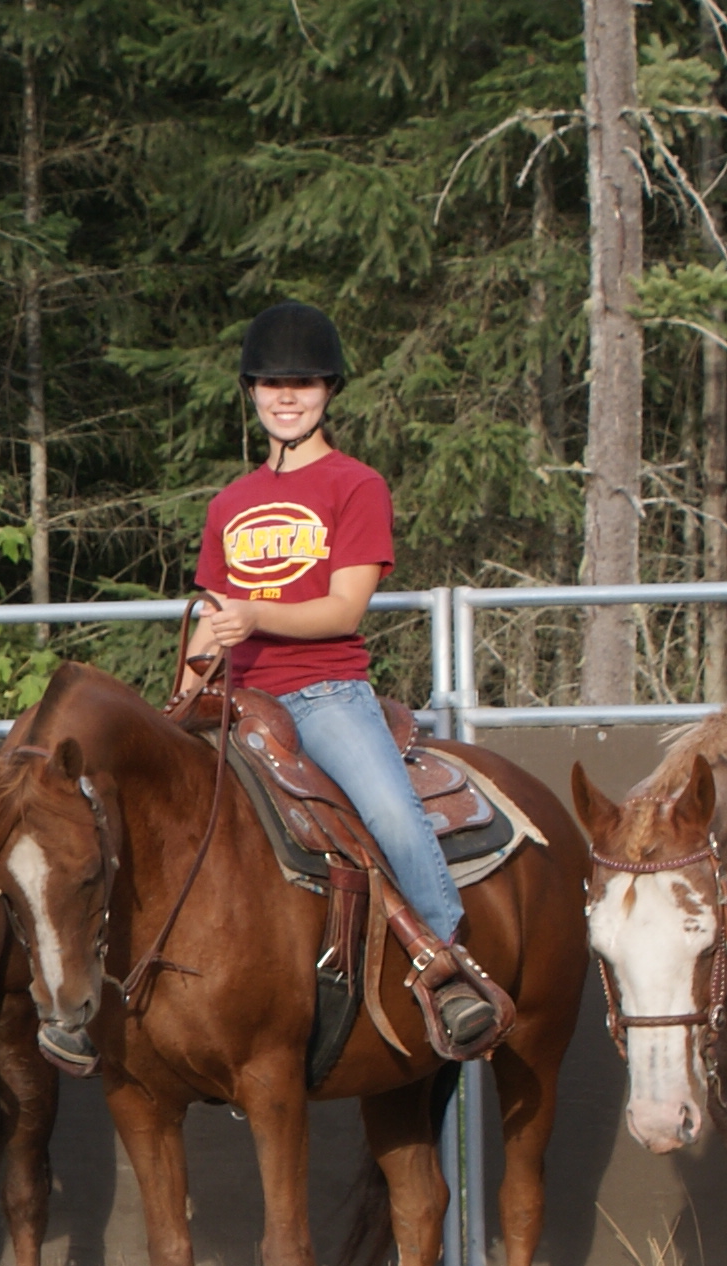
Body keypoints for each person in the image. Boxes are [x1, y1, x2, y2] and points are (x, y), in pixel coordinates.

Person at [180, 303, 496, 1055]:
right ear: (251, 391)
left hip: (324, 694)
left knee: (390, 812)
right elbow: (213, 620)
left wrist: (254, 616)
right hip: (237, 699)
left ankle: (447, 966)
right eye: (271, 382)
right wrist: (186, 690)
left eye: (303, 382)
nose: (286, 397)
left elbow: (344, 608)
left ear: (329, 389)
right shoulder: (229, 503)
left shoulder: (356, 485)